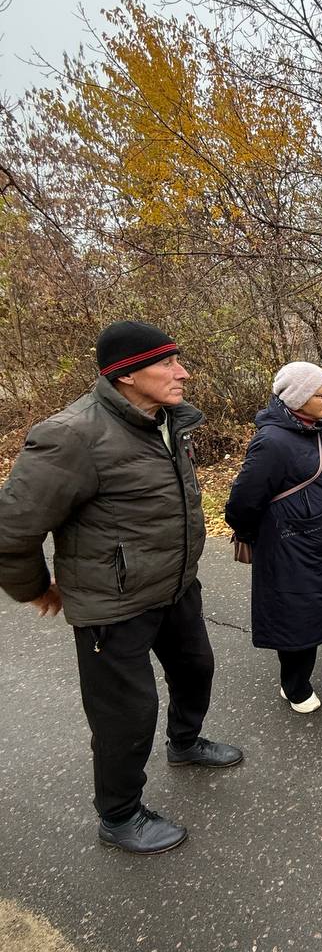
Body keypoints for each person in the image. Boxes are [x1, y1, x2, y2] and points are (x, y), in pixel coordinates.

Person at [0, 320, 243, 855]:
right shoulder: (72, 435)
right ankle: (119, 814)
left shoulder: (168, 421)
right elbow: (12, 530)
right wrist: (37, 588)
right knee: (125, 715)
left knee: (196, 668)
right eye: (168, 364)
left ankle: (184, 742)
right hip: (113, 605)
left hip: (176, 586)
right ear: (127, 376)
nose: (183, 373)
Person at [225, 362, 322, 713]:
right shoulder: (272, 442)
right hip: (292, 547)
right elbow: (241, 504)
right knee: (297, 613)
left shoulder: (315, 428)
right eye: (320, 394)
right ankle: (294, 686)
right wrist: (258, 536)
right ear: (297, 399)